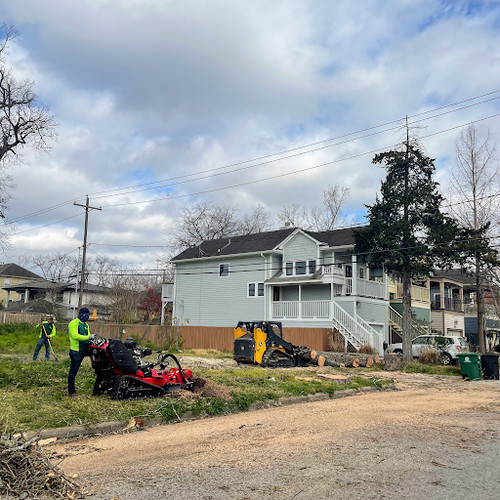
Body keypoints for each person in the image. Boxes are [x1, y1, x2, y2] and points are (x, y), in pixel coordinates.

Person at [68, 307, 92, 397]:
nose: (88, 317)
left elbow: (88, 335)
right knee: (73, 372)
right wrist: (88, 337)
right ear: (82, 314)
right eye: (87, 315)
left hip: (85, 349)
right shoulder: (73, 323)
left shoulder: (86, 325)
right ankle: (71, 391)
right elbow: (75, 336)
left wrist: (91, 339)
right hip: (76, 350)